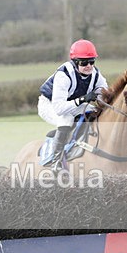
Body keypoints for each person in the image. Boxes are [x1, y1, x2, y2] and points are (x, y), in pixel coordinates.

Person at [37, 39, 109, 170]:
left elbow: (105, 93)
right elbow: (59, 109)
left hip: (72, 104)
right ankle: (56, 161)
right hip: (49, 104)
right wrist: (83, 99)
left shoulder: (96, 74)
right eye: (84, 62)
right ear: (75, 62)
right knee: (66, 119)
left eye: (92, 61)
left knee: (94, 112)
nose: (89, 66)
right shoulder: (63, 75)